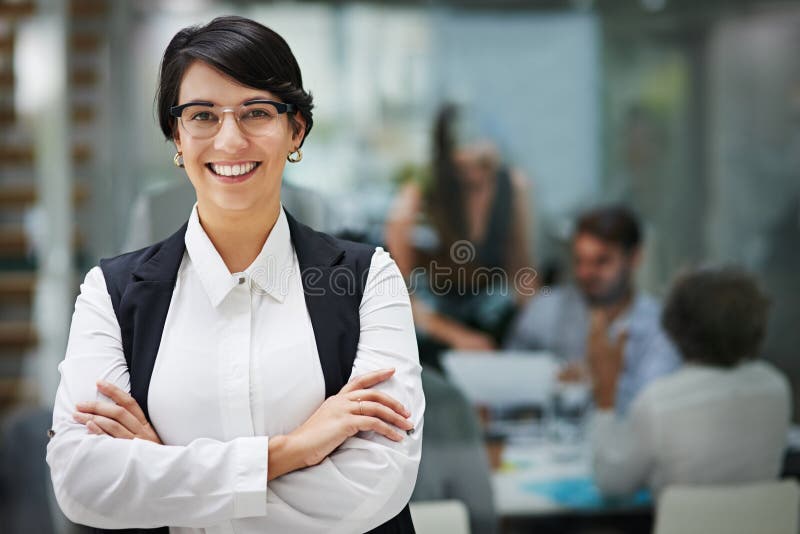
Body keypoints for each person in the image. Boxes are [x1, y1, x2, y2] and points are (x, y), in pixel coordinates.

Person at [46, 17, 423, 534]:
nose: (229, 139)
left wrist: (166, 479)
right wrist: (292, 452)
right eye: (202, 115)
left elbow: (372, 487)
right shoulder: (109, 294)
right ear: (176, 135)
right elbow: (81, 483)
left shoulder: (368, 280)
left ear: (296, 129)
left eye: (257, 113)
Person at [591, 268, 792, 497]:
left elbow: (612, 483)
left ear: (675, 326)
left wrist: (605, 393)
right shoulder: (776, 387)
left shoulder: (659, 402)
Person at [385, 104, 535, 370]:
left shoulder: (512, 187)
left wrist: (531, 342)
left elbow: (522, 272)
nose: (476, 177)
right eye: (464, 170)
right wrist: (457, 336)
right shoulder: (417, 196)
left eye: (485, 168)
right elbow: (397, 293)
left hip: (489, 320)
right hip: (430, 325)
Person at [504, 205, 680, 414]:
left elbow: (653, 405)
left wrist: (598, 383)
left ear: (634, 258)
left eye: (601, 261)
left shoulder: (660, 325)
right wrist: (551, 381)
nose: (586, 273)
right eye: (580, 261)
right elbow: (507, 385)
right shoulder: (545, 308)